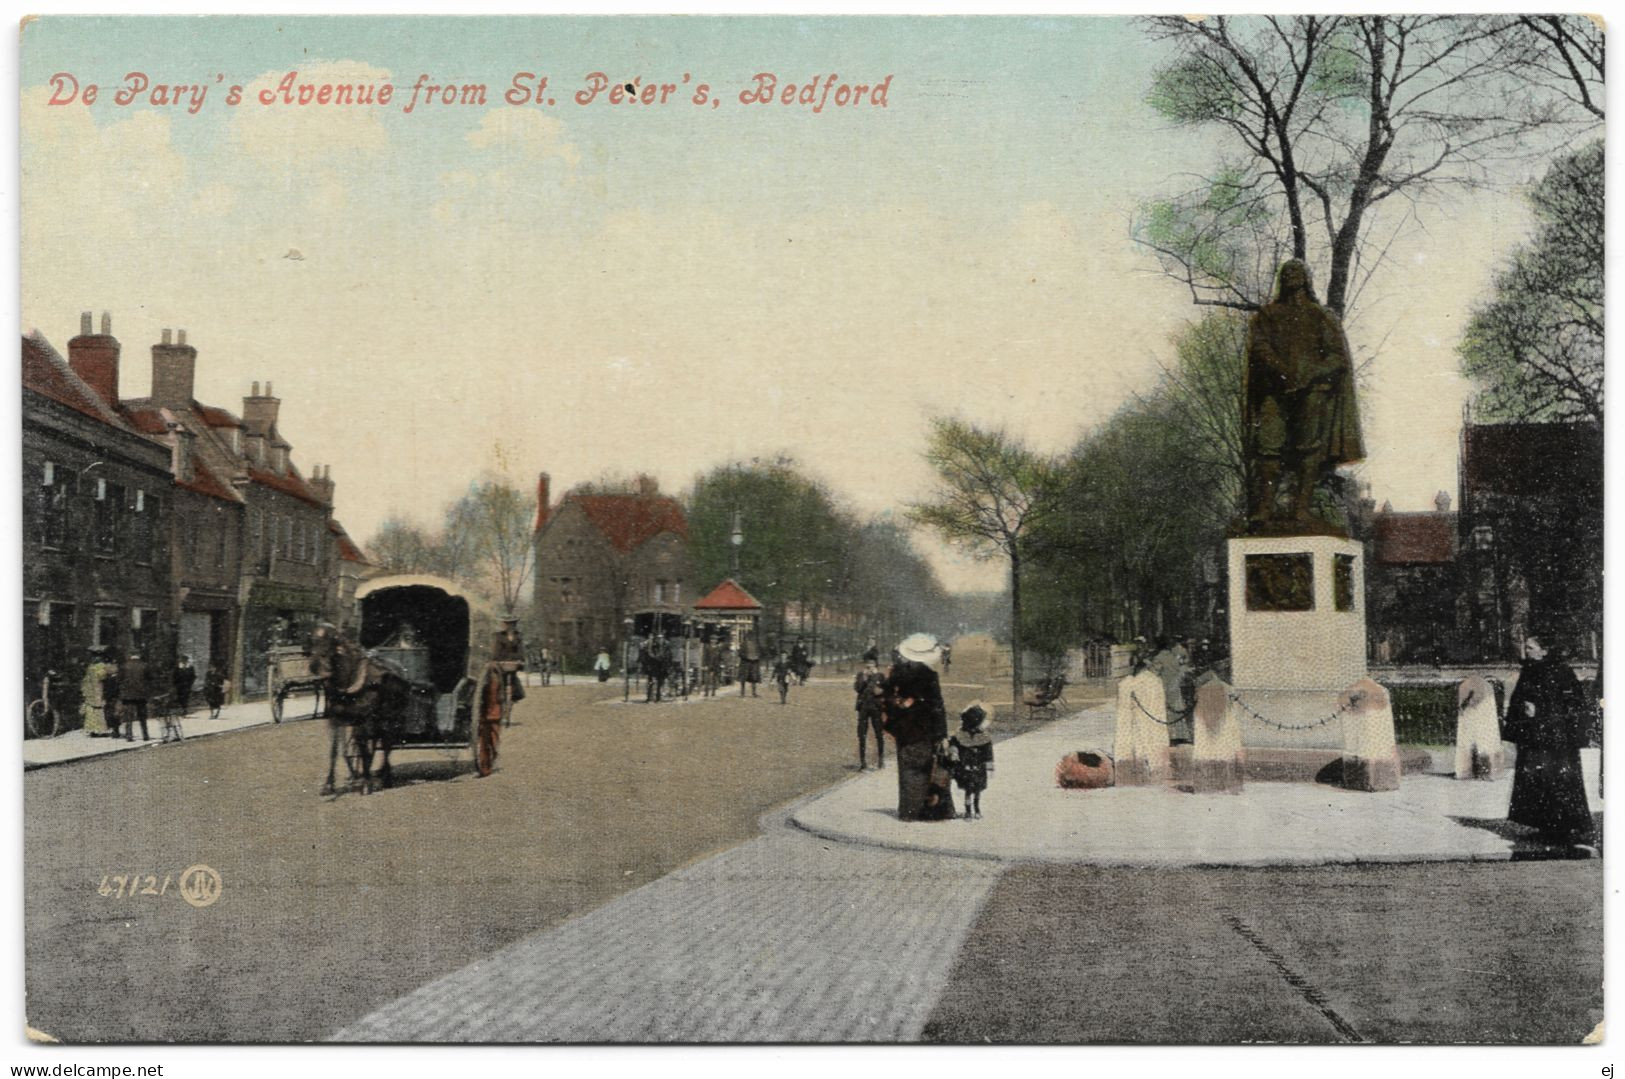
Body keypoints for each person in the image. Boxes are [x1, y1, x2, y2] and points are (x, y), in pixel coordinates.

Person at [1243, 258, 1364, 529]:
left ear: (1307, 279)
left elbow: (1337, 357)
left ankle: (1302, 508)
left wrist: (1310, 374)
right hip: (1275, 391)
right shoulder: (1267, 316)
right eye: (1287, 273)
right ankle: (1264, 508)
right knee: (1268, 447)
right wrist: (1282, 370)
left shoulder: (1320, 316)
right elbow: (1259, 348)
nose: (1292, 276)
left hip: (1312, 392)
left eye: (1298, 272)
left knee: (1309, 449)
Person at [1503, 633, 1596, 854]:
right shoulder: (1529, 670)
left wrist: (1540, 710)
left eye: (1532, 647)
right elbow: (1519, 698)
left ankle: (1565, 830)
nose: (1528, 651)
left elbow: (1572, 705)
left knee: (1557, 782)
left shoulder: (1561, 671)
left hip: (1557, 742)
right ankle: (1544, 826)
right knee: (1535, 781)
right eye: (1526, 647)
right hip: (1534, 738)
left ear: (1545, 650)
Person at [882, 634, 954, 821]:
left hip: (905, 729)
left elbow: (886, 698)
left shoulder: (898, 672)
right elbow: (938, 707)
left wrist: (899, 707)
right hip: (926, 728)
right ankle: (931, 811)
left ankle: (909, 811)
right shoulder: (930, 675)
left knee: (908, 770)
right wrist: (942, 734)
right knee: (926, 768)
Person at [950, 701, 994, 820]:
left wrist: (990, 767)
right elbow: (953, 743)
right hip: (965, 765)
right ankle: (968, 811)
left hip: (979, 766)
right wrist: (954, 751)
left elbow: (988, 753)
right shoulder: (960, 734)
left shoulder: (984, 736)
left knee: (978, 790)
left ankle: (977, 808)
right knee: (968, 790)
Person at [853, 658, 887, 770]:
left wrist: (876, 680)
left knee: (879, 734)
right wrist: (864, 678)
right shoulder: (861, 675)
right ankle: (863, 762)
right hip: (863, 707)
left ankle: (881, 759)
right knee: (862, 734)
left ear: (875, 667)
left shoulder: (880, 676)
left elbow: (885, 691)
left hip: (876, 707)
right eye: (867, 667)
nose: (869, 669)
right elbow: (857, 689)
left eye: (871, 667)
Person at [490, 616, 527, 705]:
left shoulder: (518, 636)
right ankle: (500, 695)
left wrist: (520, 659)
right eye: (507, 624)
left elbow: (520, 649)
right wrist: (497, 659)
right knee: (500, 677)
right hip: (502, 659)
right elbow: (497, 650)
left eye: (511, 624)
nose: (509, 626)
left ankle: (515, 695)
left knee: (513, 676)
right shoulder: (499, 636)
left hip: (514, 660)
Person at [118, 651, 150, 742]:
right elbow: (150, 678)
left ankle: (129, 735)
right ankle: (145, 735)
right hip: (141, 694)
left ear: (130, 655)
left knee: (128, 716)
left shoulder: (124, 666)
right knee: (142, 716)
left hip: (128, 695)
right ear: (139, 655)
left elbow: (119, 679)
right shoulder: (144, 665)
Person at [738, 633, 761, 698]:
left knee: (754, 678)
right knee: (743, 678)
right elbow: (740, 653)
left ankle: (754, 693)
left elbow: (760, 652)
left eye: (752, 637)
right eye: (749, 636)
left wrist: (757, 656)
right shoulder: (743, 644)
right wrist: (746, 657)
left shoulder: (756, 645)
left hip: (754, 663)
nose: (751, 638)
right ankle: (742, 693)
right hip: (746, 663)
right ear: (747, 637)